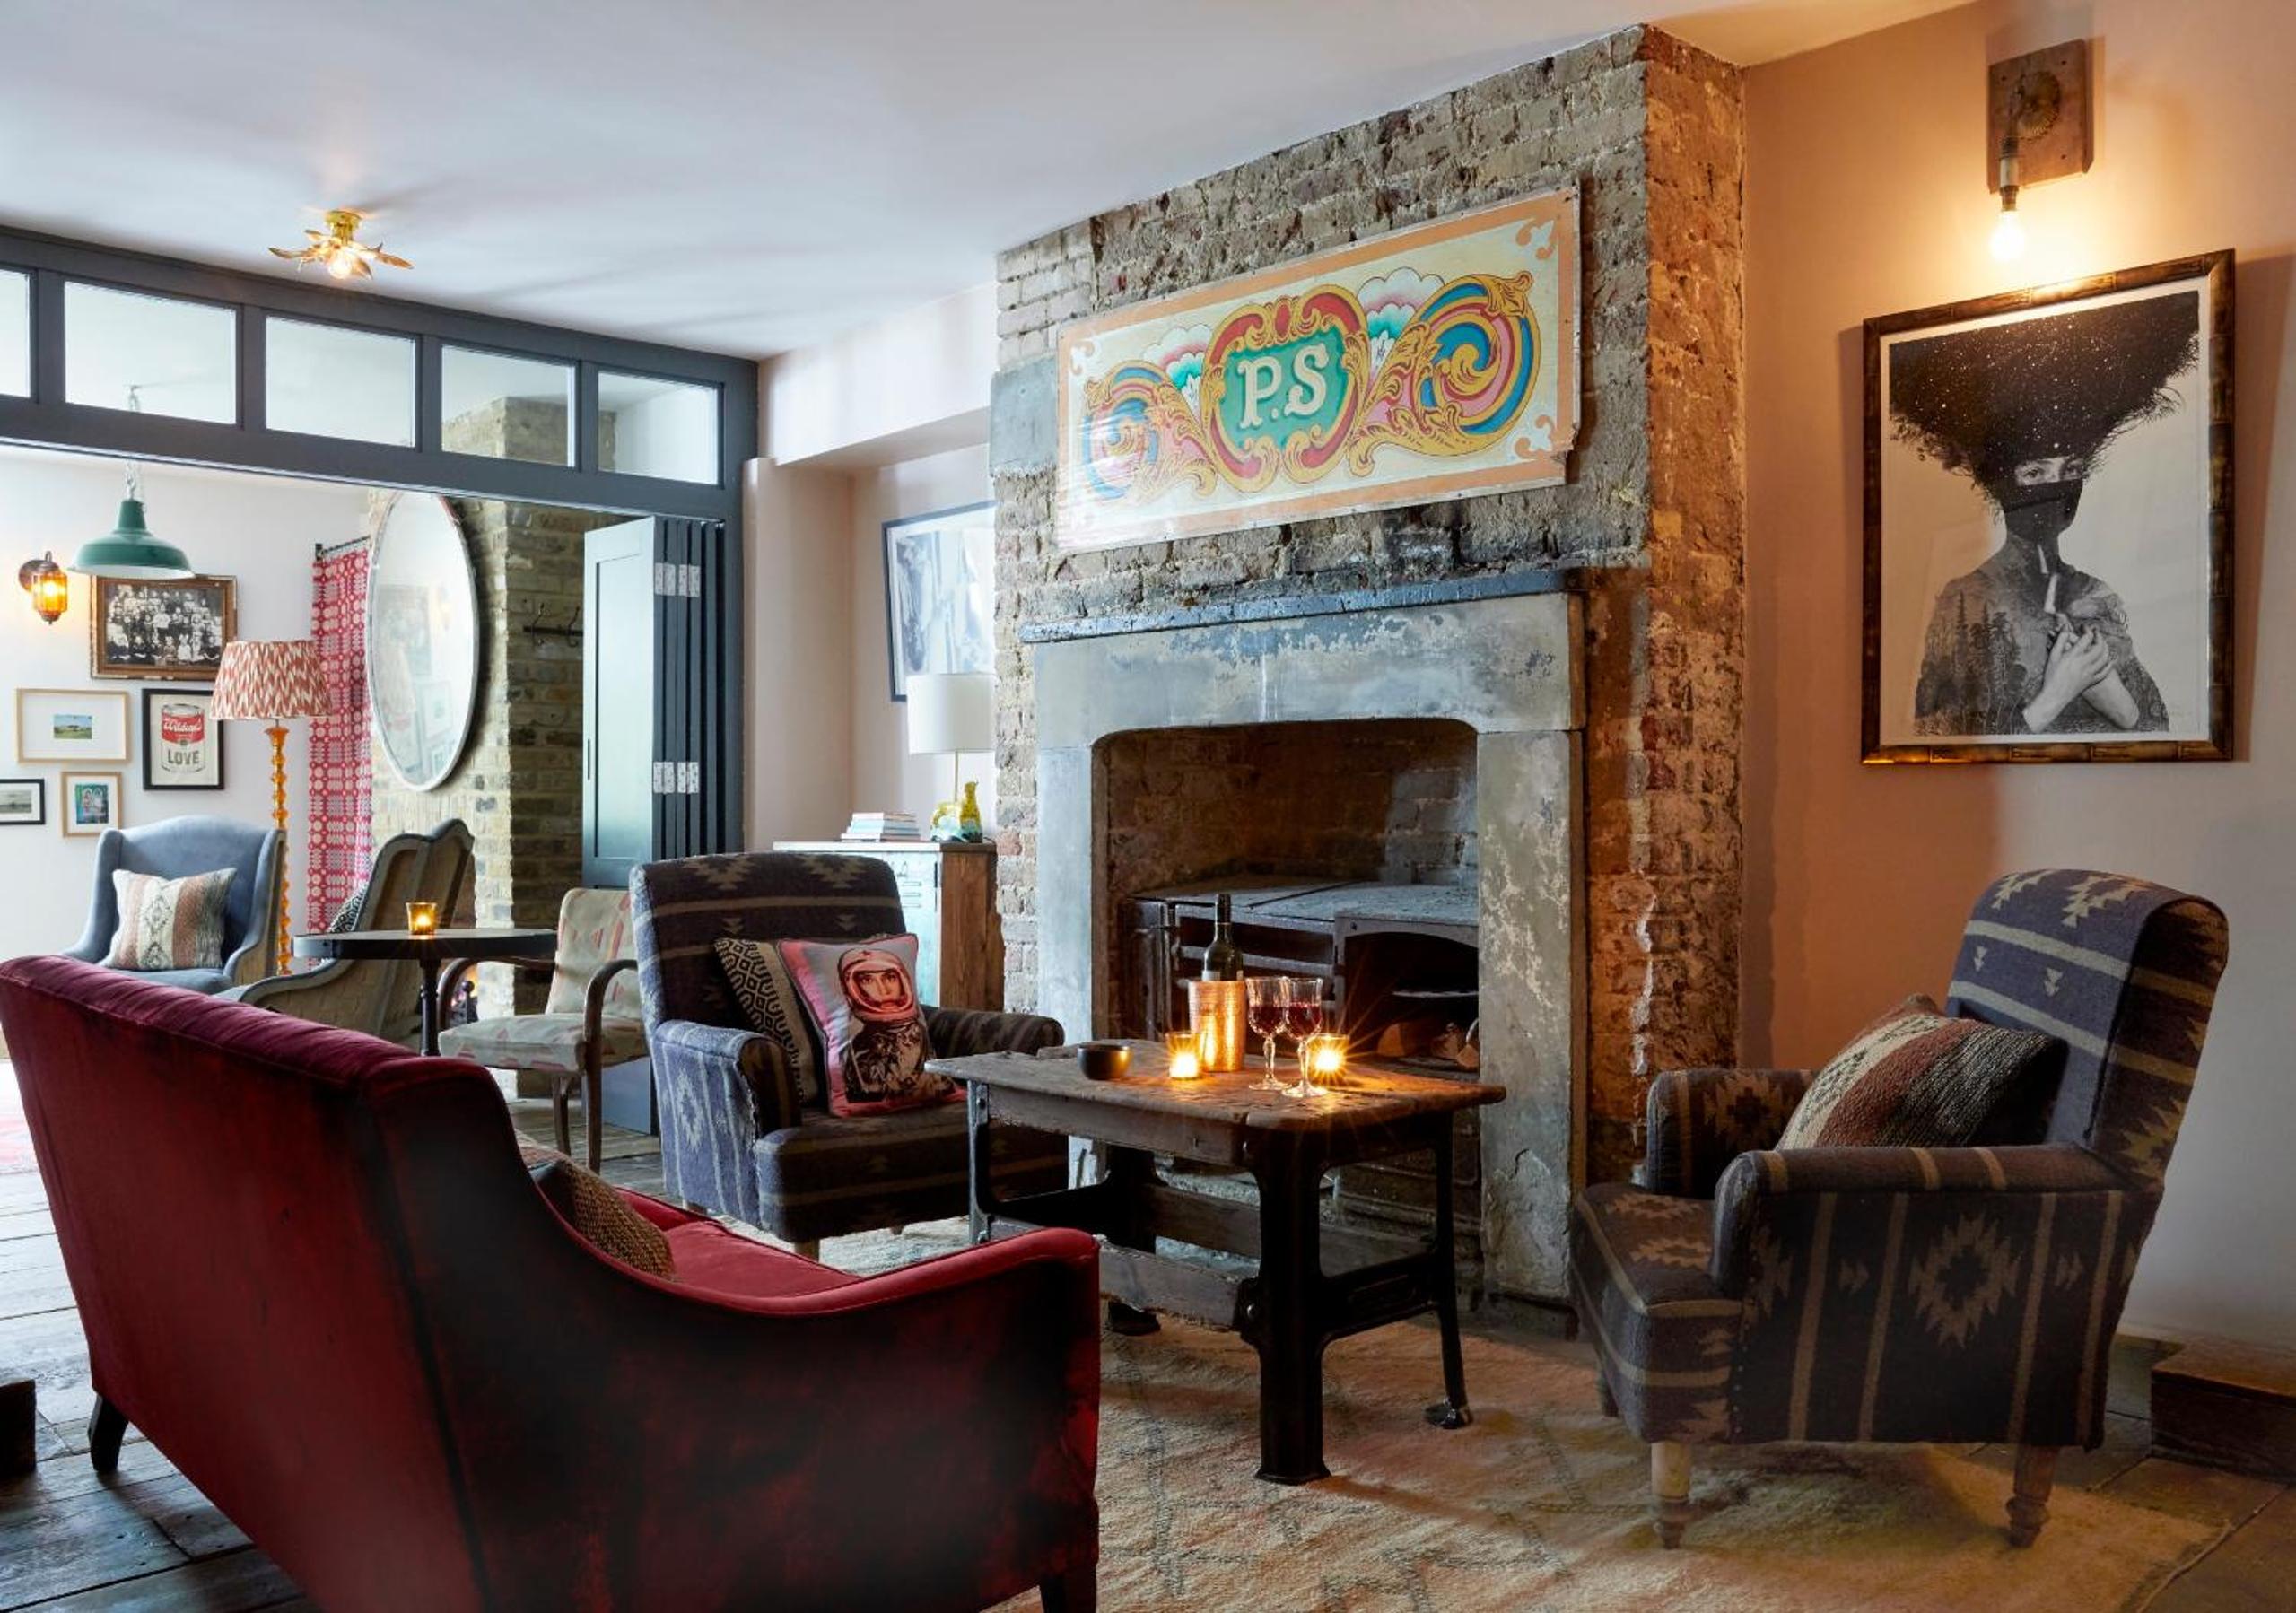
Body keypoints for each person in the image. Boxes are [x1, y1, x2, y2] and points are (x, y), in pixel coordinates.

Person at [1890, 292, 2197, 738]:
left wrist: (2110, 693)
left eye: (2071, 470)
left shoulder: (2097, 597)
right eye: (2035, 472)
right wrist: (2057, 692)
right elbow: (1936, 734)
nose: (2055, 490)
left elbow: (2158, 731)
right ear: (2003, 482)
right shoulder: (1965, 598)